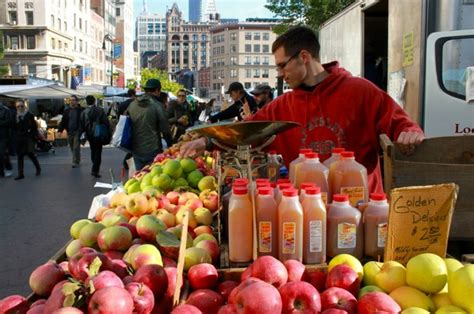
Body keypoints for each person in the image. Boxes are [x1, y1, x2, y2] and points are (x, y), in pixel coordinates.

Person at [180, 26, 425, 194]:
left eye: (282, 66)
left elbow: (400, 122)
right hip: (304, 213)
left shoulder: (360, 90)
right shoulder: (281, 106)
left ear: (304, 57)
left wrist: (410, 131)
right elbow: (245, 131)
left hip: (358, 209)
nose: (280, 74)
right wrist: (208, 141)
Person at [127, 78, 173, 170]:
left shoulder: (133, 104)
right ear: (157, 90)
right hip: (153, 148)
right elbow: (165, 129)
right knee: (151, 177)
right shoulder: (157, 106)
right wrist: (170, 144)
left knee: (139, 177)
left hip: (136, 148)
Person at [80, 95, 110, 178]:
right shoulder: (100, 110)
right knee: (98, 151)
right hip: (98, 133)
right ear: (94, 101)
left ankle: (94, 165)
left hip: (89, 134)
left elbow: (82, 124)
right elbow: (106, 122)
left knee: (93, 150)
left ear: (86, 102)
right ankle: (95, 169)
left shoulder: (84, 112)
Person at [13, 100, 41, 180]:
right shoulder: (15, 116)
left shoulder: (29, 115)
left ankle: (38, 168)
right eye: (18, 106)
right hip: (19, 138)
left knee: (30, 154)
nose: (20, 108)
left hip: (28, 138)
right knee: (20, 156)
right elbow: (13, 127)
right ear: (16, 107)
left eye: (21, 106)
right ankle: (20, 173)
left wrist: (33, 136)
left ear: (24, 106)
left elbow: (34, 127)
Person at [58, 95, 84, 168]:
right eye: (71, 100)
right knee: (72, 147)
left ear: (76, 101)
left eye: (73, 100)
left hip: (77, 131)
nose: (71, 102)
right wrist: (60, 131)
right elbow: (63, 122)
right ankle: (77, 159)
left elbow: (84, 120)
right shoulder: (67, 111)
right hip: (70, 131)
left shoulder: (81, 110)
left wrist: (84, 130)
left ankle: (74, 162)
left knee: (76, 147)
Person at [0, 101, 15, 178]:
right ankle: (6, 168)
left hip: (3, 135)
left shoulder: (5, 110)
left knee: (1, 153)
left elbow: (10, 121)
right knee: (3, 154)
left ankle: (2, 171)